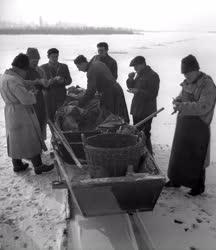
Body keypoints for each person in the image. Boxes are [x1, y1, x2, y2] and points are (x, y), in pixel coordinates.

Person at [166, 54, 216, 196]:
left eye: (188, 73)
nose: (185, 76)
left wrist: (182, 106)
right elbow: (182, 97)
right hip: (184, 125)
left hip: (199, 127)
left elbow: (204, 106)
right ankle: (175, 180)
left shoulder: (207, 85)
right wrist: (177, 100)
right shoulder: (187, 82)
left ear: (196, 70)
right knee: (179, 154)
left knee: (196, 157)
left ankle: (198, 186)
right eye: (184, 73)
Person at [0, 53, 54, 174]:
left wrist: (34, 81)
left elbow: (22, 82)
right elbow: (26, 99)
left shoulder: (6, 76)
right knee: (30, 137)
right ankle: (38, 166)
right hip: (21, 113)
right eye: (25, 70)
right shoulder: (14, 81)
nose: (26, 73)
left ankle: (17, 164)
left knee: (15, 138)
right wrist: (33, 93)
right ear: (21, 68)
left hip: (11, 111)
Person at [74, 55, 129, 123]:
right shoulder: (97, 63)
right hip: (117, 89)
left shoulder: (91, 70)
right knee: (120, 115)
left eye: (78, 67)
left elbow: (90, 91)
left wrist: (80, 103)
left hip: (110, 94)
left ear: (83, 63)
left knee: (111, 118)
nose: (79, 70)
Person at [126, 56, 160, 154]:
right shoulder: (139, 74)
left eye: (136, 66)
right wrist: (130, 79)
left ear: (142, 64)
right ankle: (139, 153)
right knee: (137, 131)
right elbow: (131, 86)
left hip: (147, 110)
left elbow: (153, 94)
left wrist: (138, 91)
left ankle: (149, 154)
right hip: (137, 108)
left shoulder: (153, 75)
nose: (134, 69)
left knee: (145, 133)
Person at [40, 48, 72, 121]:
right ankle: (53, 131)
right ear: (48, 57)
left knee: (62, 117)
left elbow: (69, 81)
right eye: (53, 57)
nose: (55, 58)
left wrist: (63, 81)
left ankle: (62, 132)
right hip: (48, 98)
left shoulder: (64, 66)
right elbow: (41, 85)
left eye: (56, 56)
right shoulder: (42, 68)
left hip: (61, 97)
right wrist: (52, 80)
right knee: (50, 119)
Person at [25, 48, 49, 139]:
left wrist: (46, 84)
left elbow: (46, 87)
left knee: (41, 122)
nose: (36, 63)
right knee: (30, 126)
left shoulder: (41, 71)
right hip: (29, 103)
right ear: (27, 60)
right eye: (33, 61)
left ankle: (40, 147)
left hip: (40, 101)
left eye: (37, 60)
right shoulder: (23, 71)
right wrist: (36, 83)